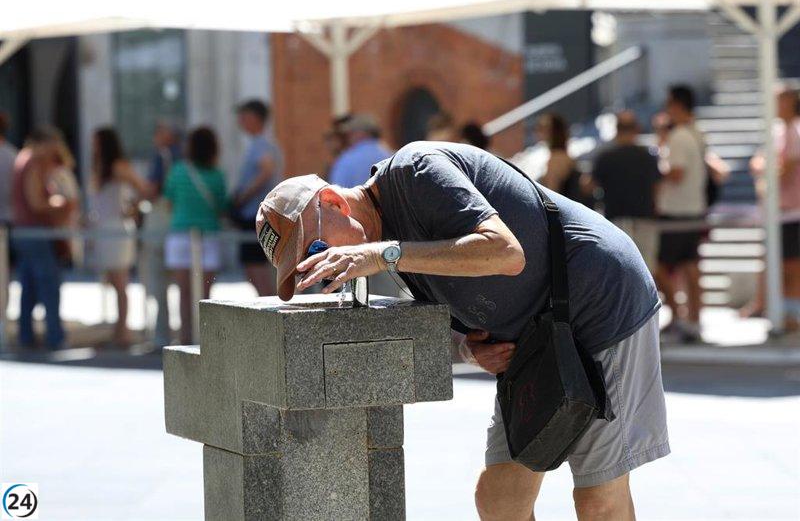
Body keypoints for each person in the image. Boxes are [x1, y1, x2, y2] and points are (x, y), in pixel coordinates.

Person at [256, 141, 669, 520]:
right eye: (309, 265)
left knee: (598, 496)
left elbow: (506, 253)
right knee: (500, 501)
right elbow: (453, 306)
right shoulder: (381, 245)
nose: (325, 262)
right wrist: (470, 351)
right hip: (537, 338)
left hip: (600, 300)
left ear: (332, 202)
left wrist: (382, 254)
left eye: (314, 248)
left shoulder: (415, 172)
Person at [164, 127, 228, 345]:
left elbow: (168, 201)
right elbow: (221, 207)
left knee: (183, 292)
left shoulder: (178, 171)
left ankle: (184, 338)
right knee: (204, 294)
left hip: (180, 235)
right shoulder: (217, 175)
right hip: (208, 236)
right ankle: (204, 338)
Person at [743, 88, 800, 329]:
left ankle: (792, 313)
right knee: (775, 261)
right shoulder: (777, 132)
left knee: (791, 265)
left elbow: (784, 171)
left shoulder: (796, 131)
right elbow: (758, 161)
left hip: (793, 211)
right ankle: (772, 306)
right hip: (776, 212)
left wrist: (766, 175)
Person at [12, 128, 72, 350]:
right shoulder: (31, 162)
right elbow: (36, 203)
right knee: (49, 284)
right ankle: (55, 335)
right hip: (34, 232)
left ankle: (26, 335)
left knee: (28, 287)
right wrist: (58, 203)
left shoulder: (23, 159)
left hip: (25, 232)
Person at [655, 85, 707, 343]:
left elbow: (676, 173)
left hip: (675, 212)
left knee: (658, 266)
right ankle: (693, 319)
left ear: (676, 105)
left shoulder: (680, 137)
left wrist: (654, 177)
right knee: (690, 266)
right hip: (694, 208)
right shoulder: (696, 134)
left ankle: (679, 315)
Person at [90, 127, 148, 348]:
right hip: (105, 228)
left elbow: (141, 188)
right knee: (112, 281)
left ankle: (123, 332)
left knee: (120, 281)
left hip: (116, 229)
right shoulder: (102, 167)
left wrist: (132, 209)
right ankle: (118, 330)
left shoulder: (117, 166)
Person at [588, 111, 662, 272]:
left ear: (617, 130)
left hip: (616, 219)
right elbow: (658, 187)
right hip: (645, 218)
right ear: (636, 129)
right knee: (646, 271)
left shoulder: (605, 157)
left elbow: (590, 186)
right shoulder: (648, 157)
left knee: (619, 270)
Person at [231, 99, 283, 296]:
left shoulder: (261, 144)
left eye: (244, 116)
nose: (240, 121)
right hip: (259, 215)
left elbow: (266, 170)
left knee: (256, 269)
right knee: (255, 269)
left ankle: (270, 311)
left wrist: (243, 197)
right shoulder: (260, 143)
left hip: (256, 215)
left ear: (255, 118)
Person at [141, 121, 181, 346]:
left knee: (158, 282)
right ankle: (189, 331)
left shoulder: (161, 157)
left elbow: (151, 189)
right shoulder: (187, 158)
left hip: (160, 225)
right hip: (181, 226)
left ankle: (161, 335)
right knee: (187, 284)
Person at [328, 114, 391, 189]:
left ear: (361, 133)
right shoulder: (390, 155)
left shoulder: (347, 159)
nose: (349, 137)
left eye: (351, 133)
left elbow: (336, 191)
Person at [0, 113, 18, 314]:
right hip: (10, 222)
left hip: (7, 223)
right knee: (4, 277)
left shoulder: (12, 157)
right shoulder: (13, 156)